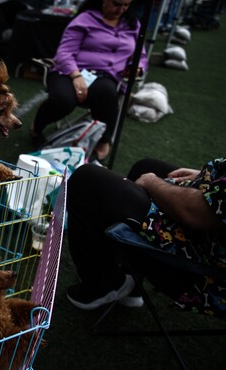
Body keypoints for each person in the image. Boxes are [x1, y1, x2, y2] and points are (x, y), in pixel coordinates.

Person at [66, 158, 226, 316]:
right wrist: (210, 177)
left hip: (206, 271)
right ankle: (131, 284)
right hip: (208, 235)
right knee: (145, 167)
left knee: (87, 179)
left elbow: (194, 212)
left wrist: (152, 182)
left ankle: (102, 286)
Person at [30, 0, 148, 161]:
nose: (121, 9)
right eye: (117, 4)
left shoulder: (133, 24)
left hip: (106, 77)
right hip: (68, 72)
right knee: (63, 100)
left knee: (107, 92)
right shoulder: (85, 19)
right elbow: (64, 53)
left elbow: (141, 56)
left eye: (126, 5)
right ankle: (36, 128)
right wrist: (76, 76)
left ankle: (103, 143)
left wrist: (138, 67)